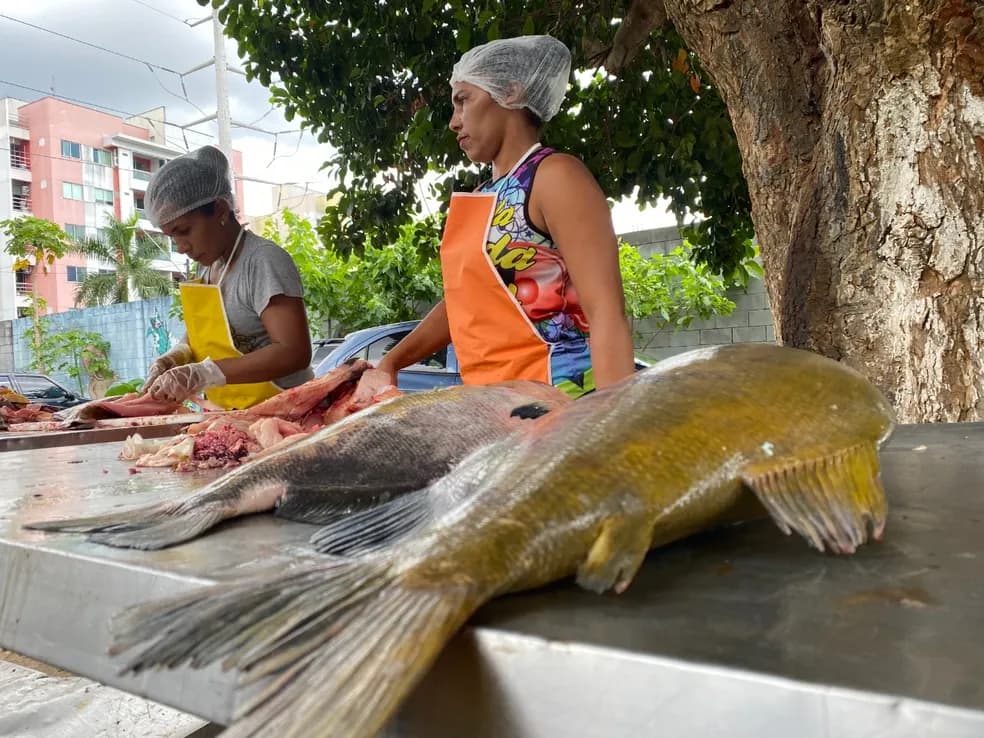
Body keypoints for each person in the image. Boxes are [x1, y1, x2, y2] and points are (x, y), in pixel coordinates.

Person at [357, 35, 634, 400]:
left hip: (562, 402)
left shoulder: (555, 176)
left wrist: (614, 418)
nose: (454, 122)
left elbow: (606, 312)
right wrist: (390, 363)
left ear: (511, 93)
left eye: (463, 100)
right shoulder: (482, 194)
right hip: (493, 408)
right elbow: (464, 305)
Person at [141, 145, 313, 410]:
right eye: (172, 237)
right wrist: (175, 357)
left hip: (288, 412)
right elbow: (205, 337)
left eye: (184, 231)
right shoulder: (208, 267)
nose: (181, 247)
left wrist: (203, 373)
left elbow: (294, 352)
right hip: (231, 415)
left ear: (220, 210)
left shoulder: (262, 261)